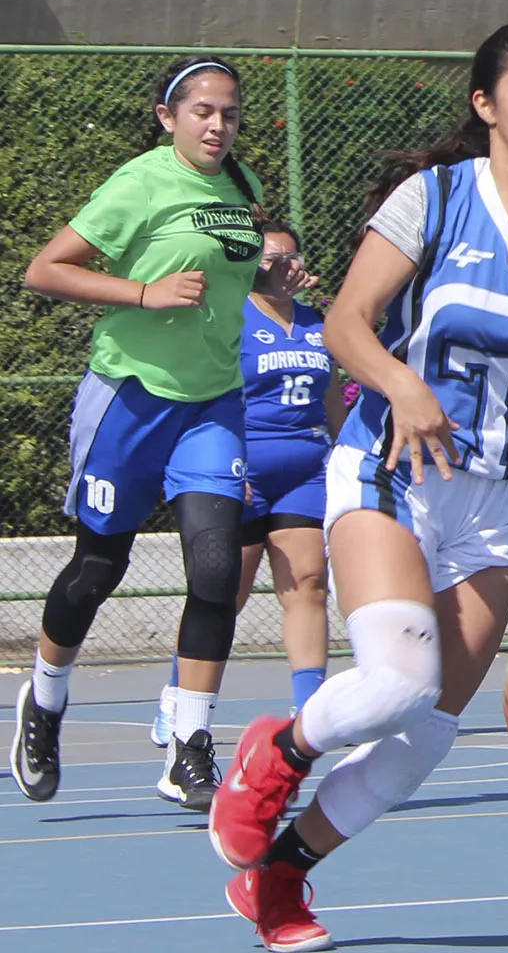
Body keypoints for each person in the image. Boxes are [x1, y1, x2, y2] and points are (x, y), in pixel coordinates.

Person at [206, 21, 508, 953]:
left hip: (501, 499)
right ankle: (275, 752)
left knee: (428, 731)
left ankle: (281, 875)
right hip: (394, 469)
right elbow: (347, 323)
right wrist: (401, 385)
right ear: (487, 104)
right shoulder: (431, 198)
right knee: (396, 682)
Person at [11, 56, 310, 812]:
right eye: (203, 111)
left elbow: (233, 282)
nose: (218, 125)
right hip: (133, 400)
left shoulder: (242, 189)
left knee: (214, 573)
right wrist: (143, 292)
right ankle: (44, 704)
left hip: (212, 405)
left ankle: (188, 746)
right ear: (167, 116)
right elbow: (44, 270)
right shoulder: (138, 183)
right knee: (97, 569)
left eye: (230, 113)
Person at [151, 223, 345, 746]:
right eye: (270, 258)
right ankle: (178, 698)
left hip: (305, 468)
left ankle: (309, 709)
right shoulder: (229, 318)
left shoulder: (316, 323)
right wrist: (220, 469)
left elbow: (332, 399)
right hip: (241, 466)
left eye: (291, 256)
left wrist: (343, 454)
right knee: (223, 592)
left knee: (308, 582)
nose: (284, 265)